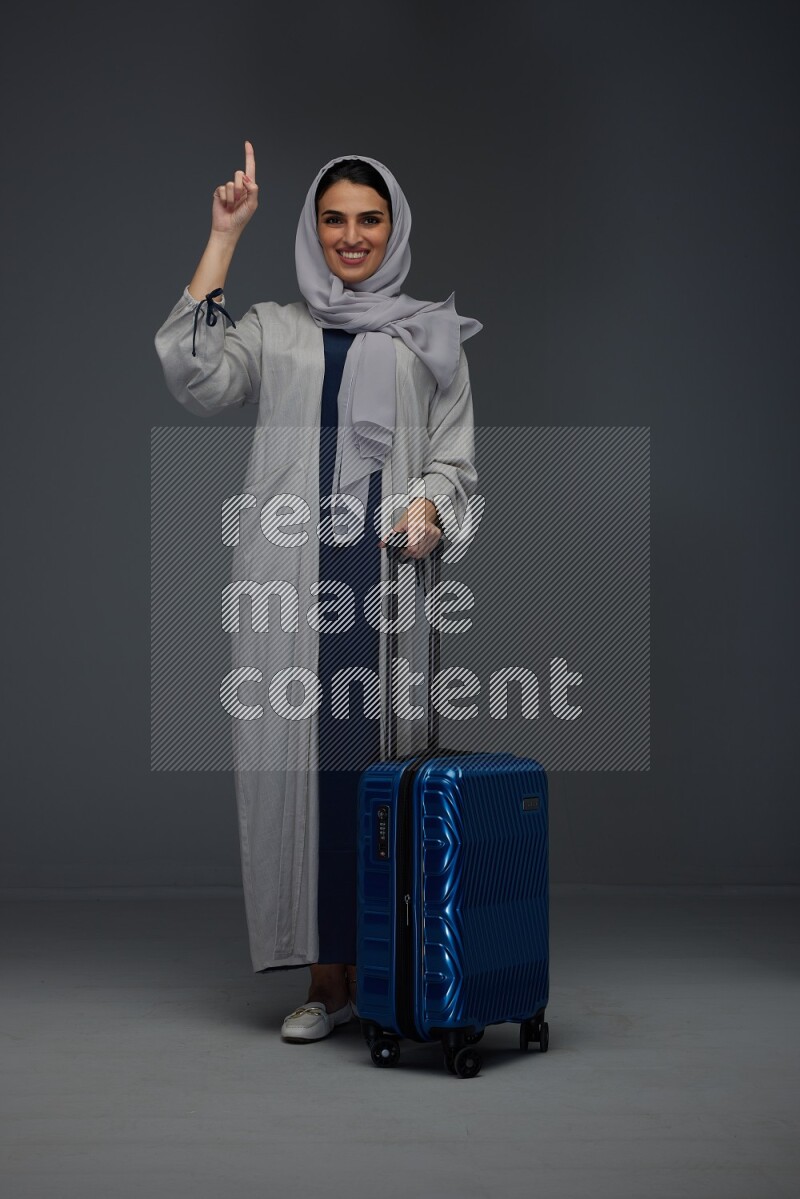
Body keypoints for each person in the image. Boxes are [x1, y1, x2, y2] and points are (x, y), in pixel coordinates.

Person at [154, 141, 480, 1042]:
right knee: (302, 777)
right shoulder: (276, 329)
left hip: (384, 582)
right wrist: (224, 235)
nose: (351, 236)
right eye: (334, 219)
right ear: (313, 228)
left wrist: (428, 503)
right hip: (293, 583)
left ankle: (390, 969)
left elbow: (455, 460)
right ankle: (324, 979)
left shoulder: (429, 335)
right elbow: (196, 375)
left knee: (383, 773)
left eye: (369, 219)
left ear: (394, 228)